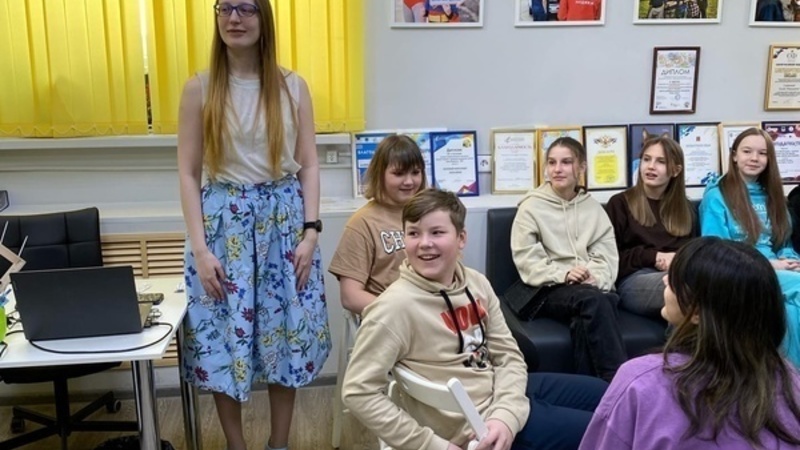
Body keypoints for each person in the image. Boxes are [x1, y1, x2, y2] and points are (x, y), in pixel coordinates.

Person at [343, 188, 609, 450]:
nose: (424, 243)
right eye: (413, 233)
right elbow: (358, 392)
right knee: (613, 430)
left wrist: (505, 413)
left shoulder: (476, 283)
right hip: (476, 428)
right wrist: (431, 445)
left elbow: (508, 354)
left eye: (436, 232)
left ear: (461, 238)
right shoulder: (393, 308)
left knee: (608, 393)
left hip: (499, 394)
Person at [176, 2, 331, 449]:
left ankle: (278, 443)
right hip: (223, 227)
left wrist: (311, 231)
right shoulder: (199, 88)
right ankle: (236, 445)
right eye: (225, 8)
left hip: (284, 225)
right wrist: (201, 249)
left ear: (264, 17)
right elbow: (188, 172)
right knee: (224, 339)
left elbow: (309, 163)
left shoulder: (292, 86)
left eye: (246, 8)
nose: (234, 18)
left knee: (286, 337)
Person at [579, 237, 800, 449]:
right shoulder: (790, 380)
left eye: (674, 279)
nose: (665, 280)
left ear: (696, 311)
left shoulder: (639, 381)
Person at [510, 137, 626, 381]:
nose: (557, 169)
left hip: (587, 290)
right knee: (597, 301)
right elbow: (527, 259)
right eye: (552, 162)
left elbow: (606, 254)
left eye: (566, 162)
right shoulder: (530, 207)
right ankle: (618, 383)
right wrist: (563, 274)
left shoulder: (593, 209)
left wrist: (594, 277)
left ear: (581, 167)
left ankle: (592, 392)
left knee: (589, 311)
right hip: (546, 288)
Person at [699, 127, 800, 368]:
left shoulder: (773, 195)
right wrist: (769, 264)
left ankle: (785, 378)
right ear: (734, 155)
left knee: (788, 311)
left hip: (776, 271)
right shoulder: (716, 196)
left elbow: (783, 242)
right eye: (747, 151)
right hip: (738, 272)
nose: (754, 158)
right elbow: (715, 251)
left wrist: (791, 260)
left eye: (762, 153)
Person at [329, 134, 426, 315]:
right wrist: (404, 312)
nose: (409, 181)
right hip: (390, 317)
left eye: (415, 172)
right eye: (398, 174)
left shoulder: (431, 214)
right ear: (380, 175)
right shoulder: (362, 223)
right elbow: (350, 296)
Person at [606, 136, 696, 318]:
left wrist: (676, 260)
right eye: (646, 159)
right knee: (682, 288)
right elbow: (610, 260)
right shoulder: (620, 203)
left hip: (676, 274)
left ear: (676, 170)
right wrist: (654, 257)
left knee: (703, 284)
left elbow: (692, 253)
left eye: (661, 162)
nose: (651, 166)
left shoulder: (686, 209)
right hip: (633, 280)